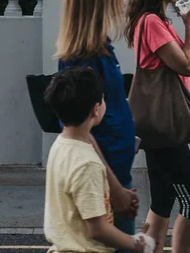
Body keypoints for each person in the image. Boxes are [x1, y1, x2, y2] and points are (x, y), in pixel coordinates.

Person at [125, 0, 190, 253]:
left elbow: (177, 78)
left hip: (164, 123)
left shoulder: (154, 22)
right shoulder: (152, 23)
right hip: (163, 128)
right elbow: (185, 66)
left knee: (162, 200)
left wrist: (189, 117)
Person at [56, 0, 138, 242]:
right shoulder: (84, 59)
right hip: (105, 178)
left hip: (115, 171)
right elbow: (81, 131)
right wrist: (116, 191)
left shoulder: (101, 50)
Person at [43, 67, 153, 253]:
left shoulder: (60, 146)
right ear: (95, 110)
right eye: (103, 99)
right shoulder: (88, 164)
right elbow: (97, 230)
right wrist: (138, 244)